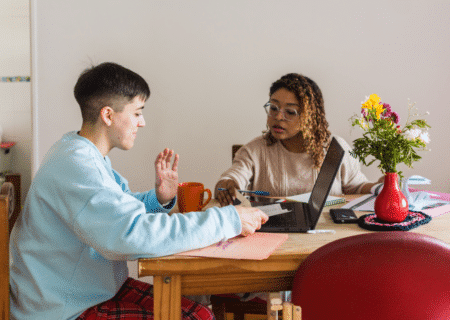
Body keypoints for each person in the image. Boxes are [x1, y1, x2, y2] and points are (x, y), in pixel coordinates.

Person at [9, 62, 268, 320]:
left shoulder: (77, 152)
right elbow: (131, 235)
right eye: (137, 112)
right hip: (62, 309)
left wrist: (158, 199)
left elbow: (113, 209)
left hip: (87, 292)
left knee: (199, 312)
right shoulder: (79, 167)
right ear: (108, 115)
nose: (142, 122)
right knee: (197, 317)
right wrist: (230, 219)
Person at [215, 72, 382, 206]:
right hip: (272, 236)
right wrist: (226, 186)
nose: (278, 117)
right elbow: (230, 180)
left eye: (290, 112)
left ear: (310, 117)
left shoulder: (335, 148)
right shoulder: (254, 151)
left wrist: (381, 186)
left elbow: (357, 187)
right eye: (273, 108)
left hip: (326, 235)